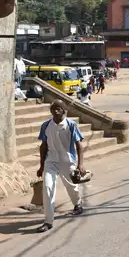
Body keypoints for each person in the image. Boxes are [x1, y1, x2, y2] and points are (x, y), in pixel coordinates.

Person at [36, 100, 85, 233]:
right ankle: (48, 221)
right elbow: (43, 146)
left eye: (58, 108)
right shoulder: (46, 125)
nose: (55, 111)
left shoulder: (71, 125)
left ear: (64, 110)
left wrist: (80, 164)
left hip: (67, 161)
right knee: (47, 188)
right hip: (50, 162)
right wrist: (41, 166)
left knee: (71, 187)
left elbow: (79, 145)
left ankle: (78, 204)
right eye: (53, 109)